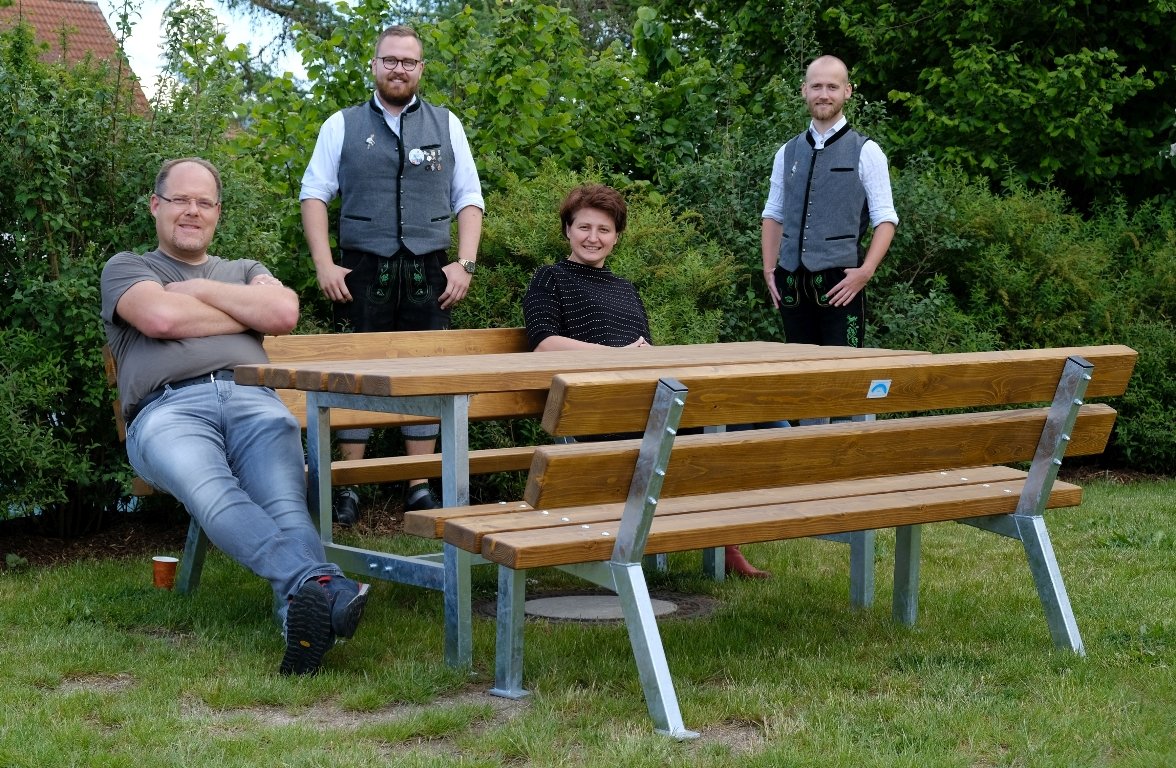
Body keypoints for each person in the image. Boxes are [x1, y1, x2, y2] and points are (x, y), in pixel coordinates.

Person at [102, 158, 370, 676]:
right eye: (180, 199)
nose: (191, 211)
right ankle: (321, 586)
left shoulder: (244, 268)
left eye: (203, 202)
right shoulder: (128, 268)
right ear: (156, 205)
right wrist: (241, 313)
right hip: (167, 410)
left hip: (253, 401)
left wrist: (195, 292)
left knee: (287, 506)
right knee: (211, 490)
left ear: (217, 214)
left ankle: (302, 617)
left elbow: (283, 315)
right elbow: (158, 317)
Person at [522, 184, 768, 578]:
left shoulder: (625, 289)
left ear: (616, 237)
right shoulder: (549, 278)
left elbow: (648, 358)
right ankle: (727, 543)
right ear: (567, 229)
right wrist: (617, 357)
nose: (593, 238)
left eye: (604, 230)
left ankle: (728, 541)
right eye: (584, 227)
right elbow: (544, 346)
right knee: (725, 430)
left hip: (644, 406)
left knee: (745, 418)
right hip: (593, 415)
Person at [300, 24, 485, 524]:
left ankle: (419, 487)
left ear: (421, 68)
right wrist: (323, 264)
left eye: (409, 61)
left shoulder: (448, 125)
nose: (399, 68)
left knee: (424, 372)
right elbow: (314, 194)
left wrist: (465, 264)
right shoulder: (340, 124)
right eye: (390, 60)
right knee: (355, 376)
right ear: (375, 65)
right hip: (361, 267)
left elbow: (469, 199)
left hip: (430, 266)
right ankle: (348, 488)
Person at [761, 55, 898, 351]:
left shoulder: (867, 151)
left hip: (841, 282)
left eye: (832, 87)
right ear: (804, 90)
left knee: (842, 373)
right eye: (817, 86)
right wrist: (769, 270)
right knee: (798, 372)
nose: (824, 94)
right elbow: (773, 213)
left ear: (847, 91)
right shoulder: (787, 151)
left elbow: (885, 218)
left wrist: (866, 271)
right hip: (792, 283)